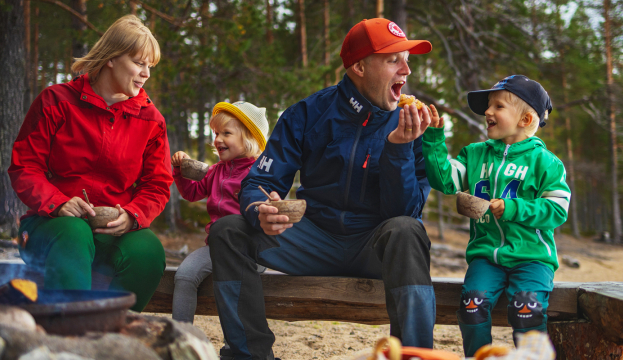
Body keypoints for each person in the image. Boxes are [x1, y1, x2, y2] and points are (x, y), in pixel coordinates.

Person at [208, 18, 434, 359]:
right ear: (359, 66)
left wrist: (400, 148)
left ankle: (414, 356)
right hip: (312, 241)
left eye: (406, 59)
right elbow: (259, 181)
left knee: (407, 230)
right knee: (228, 230)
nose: (406, 70)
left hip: (373, 246)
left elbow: (405, 213)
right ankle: (250, 354)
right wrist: (260, 211)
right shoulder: (307, 113)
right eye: (393, 60)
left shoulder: (413, 123)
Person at [9, 15, 170, 312]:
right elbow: (24, 168)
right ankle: (69, 334)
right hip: (50, 226)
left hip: (115, 231)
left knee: (148, 250)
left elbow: (157, 185)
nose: (146, 73)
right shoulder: (55, 101)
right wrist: (57, 203)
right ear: (111, 58)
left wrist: (133, 216)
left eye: (150, 66)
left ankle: (114, 332)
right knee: (74, 232)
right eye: (139, 63)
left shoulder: (151, 120)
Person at [420, 75, 570, 357]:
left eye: (498, 106)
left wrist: (513, 208)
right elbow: (445, 180)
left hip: (533, 258)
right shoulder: (475, 155)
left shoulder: (547, 163)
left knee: (527, 312)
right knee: (472, 307)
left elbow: (557, 210)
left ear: (525, 120)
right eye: (489, 106)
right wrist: (434, 138)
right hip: (486, 258)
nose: (488, 112)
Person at [171, 101, 269, 323]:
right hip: (215, 248)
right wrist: (180, 171)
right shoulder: (215, 171)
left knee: (236, 287)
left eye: (226, 133)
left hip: (248, 251)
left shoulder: (259, 174)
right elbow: (192, 193)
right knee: (184, 276)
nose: (218, 139)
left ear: (249, 138)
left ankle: (234, 346)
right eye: (216, 133)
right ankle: (180, 335)